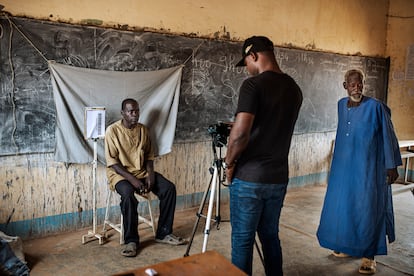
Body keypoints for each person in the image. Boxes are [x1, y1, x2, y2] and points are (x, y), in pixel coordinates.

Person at [225, 36, 303, 275]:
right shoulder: (294, 88)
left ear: (254, 56)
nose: (247, 70)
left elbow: (239, 136)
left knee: (242, 239)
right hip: (278, 177)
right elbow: (271, 126)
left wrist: (229, 163)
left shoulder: (253, 85)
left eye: (246, 63)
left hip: (250, 178)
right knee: (270, 237)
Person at [316, 69, 402, 274]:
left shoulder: (376, 107)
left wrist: (391, 165)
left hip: (368, 169)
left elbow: (389, 136)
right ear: (345, 85)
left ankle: (369, 256)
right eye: (352, 84)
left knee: (368, 210)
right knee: (343, 208)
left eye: (360, 84)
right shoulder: (340, 105)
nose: (357, 88)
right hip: (343, 170)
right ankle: (347, 246)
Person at [105, 98, 186, 257]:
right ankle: (131, 241)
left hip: (141, 172)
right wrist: (133, 181)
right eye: (131, 111)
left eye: (137, 111)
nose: (135, 114)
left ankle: (164, 233)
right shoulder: (112, 131)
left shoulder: (143, 130)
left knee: (169, 188)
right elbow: (113, 163)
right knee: (128, 196)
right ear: (123, 113)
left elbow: (149, 155)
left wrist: (150, 175)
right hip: (120, 175)